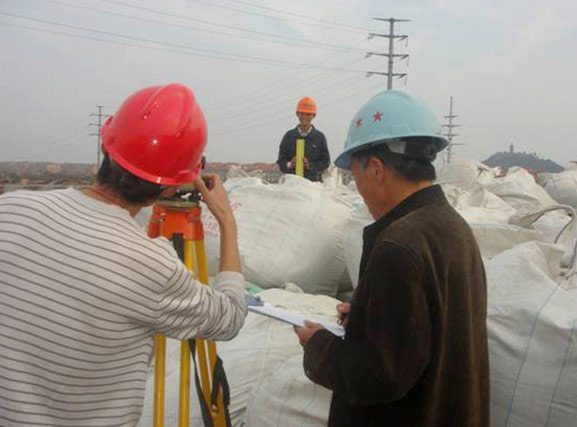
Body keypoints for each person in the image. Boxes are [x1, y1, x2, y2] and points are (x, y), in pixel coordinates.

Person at [0, 83, 247, 426]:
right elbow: (230, 316)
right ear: (172, 185)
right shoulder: (152, 266)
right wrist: (227, 222)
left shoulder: (10, 209)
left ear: (106, 145)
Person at [294, 90, 489, 426]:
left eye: (355, 176)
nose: (358, 189)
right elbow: (429, 324)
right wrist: (366, 314)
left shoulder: (398, 246)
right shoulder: (454, 227)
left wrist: (318, 346)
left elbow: (379, 375)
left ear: (376, 169)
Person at [276, 96, 330, 182]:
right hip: (291, 183)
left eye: (308, 114)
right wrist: (290, 164)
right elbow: (281, 161)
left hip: (313, 184)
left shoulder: (319, 137)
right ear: (297, 114)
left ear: (314, 115)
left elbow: (325, 162)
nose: (304, 117)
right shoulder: (289, 136)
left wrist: (310, 166)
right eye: (302, 114)